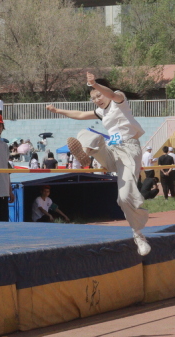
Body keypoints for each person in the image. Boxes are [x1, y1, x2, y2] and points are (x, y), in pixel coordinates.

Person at [46, 73, 151, 255]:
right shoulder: (102, 112)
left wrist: (94, 83)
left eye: (98, 96)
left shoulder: (119, 100)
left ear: (105, 91)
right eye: (93, 98)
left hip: (128, 151)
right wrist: (58, 111)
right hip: (112, 151)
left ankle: (138, 234)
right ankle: (85, 155)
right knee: (87, 134)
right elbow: (80, 114)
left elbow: (111, 94)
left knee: (124, 198)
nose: (96, 100)